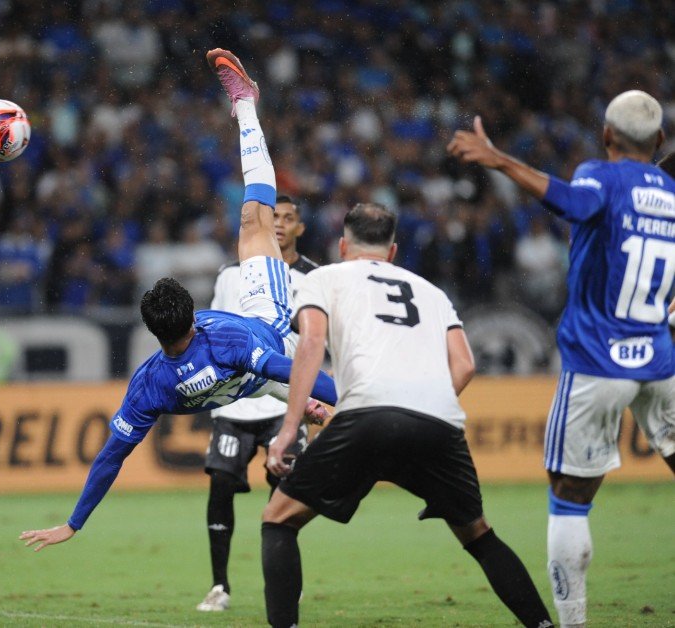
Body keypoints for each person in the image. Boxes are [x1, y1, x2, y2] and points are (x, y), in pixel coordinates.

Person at [19, 49, 336, 552]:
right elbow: (295, 368)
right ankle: (247, 106)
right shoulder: (225, 337)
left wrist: (73, 523)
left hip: (235, 388)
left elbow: (110, 457)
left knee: (254, 385)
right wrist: (353, 398)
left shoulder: (149, 386)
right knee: (256, 217)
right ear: (194, 316)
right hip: (265, 324)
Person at [260, 202, 553, 628]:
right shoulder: (430, 292)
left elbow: (311, 345)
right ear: (393, 252)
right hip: (439, 421)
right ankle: (544, 625)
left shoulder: (324, 278)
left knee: (279, 519)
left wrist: (289, 428)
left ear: (343, 246)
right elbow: (465, 365)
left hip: (368, 413)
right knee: (479, 534)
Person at [448, 90, 675, 627]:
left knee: (569, 496)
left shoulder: (602, 175)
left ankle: (572, 623)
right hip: (662, 362)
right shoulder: (669, 191)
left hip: (598, 362)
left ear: (606, 136)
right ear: (660, 140)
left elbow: (576, 204)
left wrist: (499, 159)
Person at [197, 195, 319, 612]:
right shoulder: (231, 274)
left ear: (300, 227)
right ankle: (219, 586)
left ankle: (286, 583)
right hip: (235, 406)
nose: (280, 224)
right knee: (220, 488)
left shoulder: (316, 278)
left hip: (285, 403)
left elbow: (321, 343)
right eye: (274, 217)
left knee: (286, 495)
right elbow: (212, 331)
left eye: (289, 218)